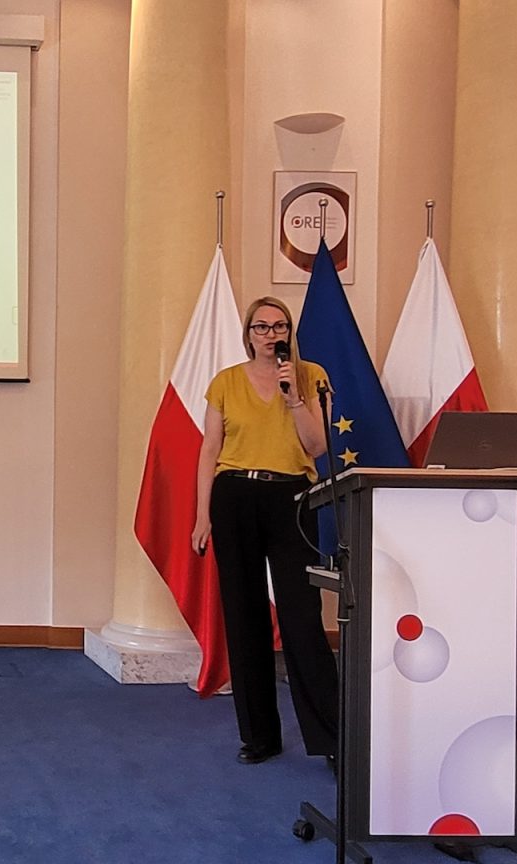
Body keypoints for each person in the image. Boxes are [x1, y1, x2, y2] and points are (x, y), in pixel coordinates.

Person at [191, 296, 339, 767]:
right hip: (234, 496)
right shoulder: (226, 382)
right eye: (261, 327)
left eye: (279, 327)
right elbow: (209, 450)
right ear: (248, 334)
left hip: (291, 498)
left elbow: (317, 446)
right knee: (244, 615)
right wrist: (202, 515)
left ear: (289, 333)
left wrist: (293, 397)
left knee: (302, 617)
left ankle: (332, 738)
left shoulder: (310, 376)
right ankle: (259, 736)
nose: (270, 335)